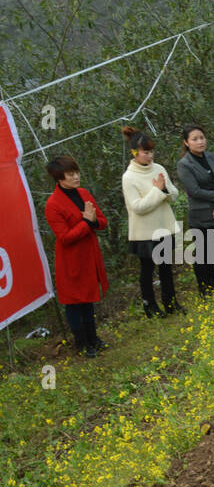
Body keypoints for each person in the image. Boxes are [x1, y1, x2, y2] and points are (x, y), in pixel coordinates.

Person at [43, 155, 109, 356]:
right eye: (70, 174)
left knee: (88, 299)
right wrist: (87, 223)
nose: (76, 177)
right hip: (71, 258)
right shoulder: (53, 204)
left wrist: (93, 221)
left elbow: (102, 221)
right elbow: (64, 237)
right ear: (59, 178)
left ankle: (93, 339)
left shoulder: (83, 193)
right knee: (74, 302)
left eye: (76, 172)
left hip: (89, 255)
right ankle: (82, 343)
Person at [120, 126, 184, 317]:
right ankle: (150, 307)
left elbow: (174, 194)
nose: (150, 156)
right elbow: (137, 206)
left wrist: (164, 190)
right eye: (145, 152)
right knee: (147, 271)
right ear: (134, 153)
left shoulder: (159, 169)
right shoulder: (129, 177)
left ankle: (171, 303)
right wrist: (157, 191)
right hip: (144, 232)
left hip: (163, 227)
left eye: (151, 151)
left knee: (166, 268)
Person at [174, 124, 214, 296]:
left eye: (202, 138)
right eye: (194, 139)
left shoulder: (210, 157)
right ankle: (203, 288)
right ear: (186, 143)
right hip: (200, 214)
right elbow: (195, 191)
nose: (200, 142)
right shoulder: (184, 164)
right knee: (202, 254)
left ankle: (213, 284)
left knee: (212, 252)